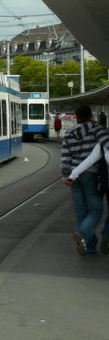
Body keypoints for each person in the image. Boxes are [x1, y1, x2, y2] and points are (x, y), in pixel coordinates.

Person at [60, 104, 109, 255]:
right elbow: (105, 146)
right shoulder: (97, 130)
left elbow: (65, 156)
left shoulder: (68, 133)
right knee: (95, 209)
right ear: (91, 116)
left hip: (75, 175)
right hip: (91, 174)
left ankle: (89, 247)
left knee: (81, 211)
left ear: (76, 116)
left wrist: (66, 175)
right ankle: (82, 233)